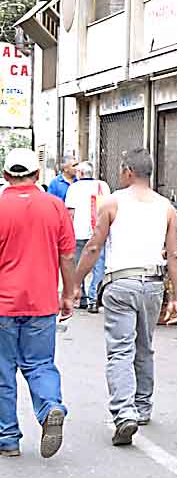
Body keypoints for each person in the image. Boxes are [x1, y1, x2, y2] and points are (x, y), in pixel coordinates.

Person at [75, 148, 177, 446]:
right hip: (152, 284)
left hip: (120, 283)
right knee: (144, 346)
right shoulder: (166, 207)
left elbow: (93, 248)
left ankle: (125, 413)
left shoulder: (112, 203)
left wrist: (74, 284)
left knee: (120, 350)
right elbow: (174, 254)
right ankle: (143, 407)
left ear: (127, 172)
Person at [0, 148, 76, 459]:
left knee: (3, 371)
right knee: (40, 364)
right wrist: (69, 293)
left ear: (6, 176)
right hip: (42, 303)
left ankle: (7, 438)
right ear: (37, 175)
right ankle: (50, 407)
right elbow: (68, 256)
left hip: (2, 305)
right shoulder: (55, 207)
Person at [63, 161, 110, 313]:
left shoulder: (74, 188)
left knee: (78, 265)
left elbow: (70, 213)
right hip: (98, 232)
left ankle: (80, 296)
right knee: (98, 266)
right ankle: (93, 299)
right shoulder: (103, 186)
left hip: (78, 233)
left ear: (81, 174)